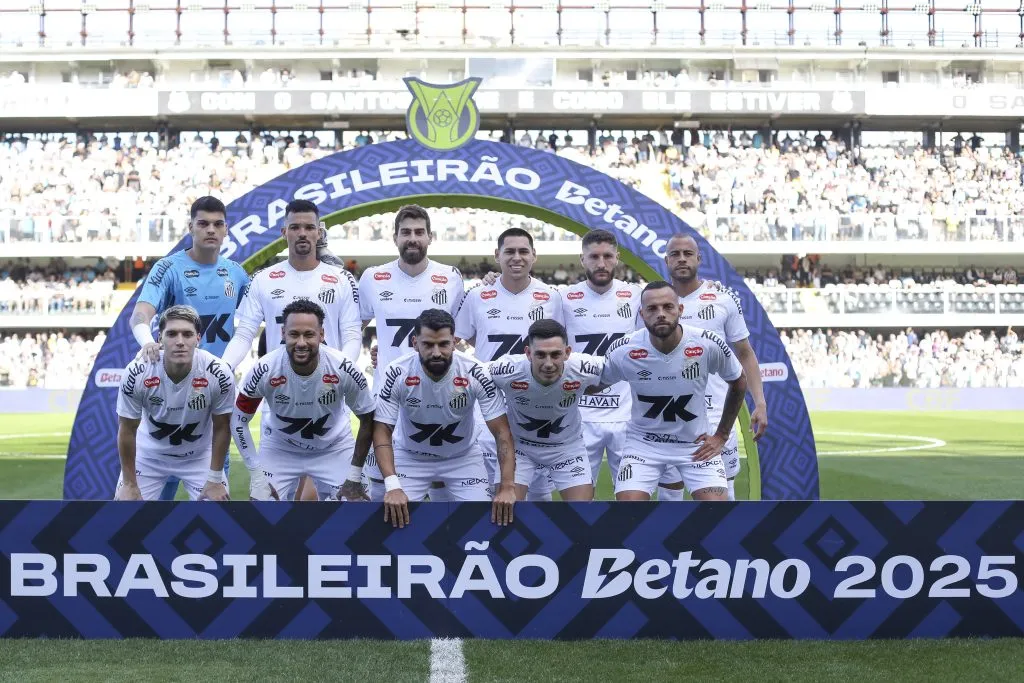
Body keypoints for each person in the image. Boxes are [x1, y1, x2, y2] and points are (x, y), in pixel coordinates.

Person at [222, 199, 362, 498]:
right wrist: (223, 369)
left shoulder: (341, 279)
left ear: (319, 233)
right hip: (281, 401)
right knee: (264, 508)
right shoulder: (263, 279)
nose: (302, 233)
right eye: (295, 227)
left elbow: (352, 334)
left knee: (348, 513)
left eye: (309, 227)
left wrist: (340, 371)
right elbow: (244, 333)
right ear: (284, 232)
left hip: (330, 408)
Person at [129, 196, 248, 500]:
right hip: (170, 388)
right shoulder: (168, 268)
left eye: (218, 224)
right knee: (148, 508)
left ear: (226, 230)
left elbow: (249, 327)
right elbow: (140, 315)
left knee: (215, 499)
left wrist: (230, 366)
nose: (211, 229)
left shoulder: (236, 273)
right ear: (190, 227)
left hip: (214, 392)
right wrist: (147, 343)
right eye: (203, 223)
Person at [597, 282, 747, 502]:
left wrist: (721, 435)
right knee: (627, 513)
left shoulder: (707, 343)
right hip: (643, 445)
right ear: (641, 314)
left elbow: (739, 380)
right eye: (652, 309)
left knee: (717, 513)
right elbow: (593, 384)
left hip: (695, 445)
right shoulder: (624, 349)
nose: (660, 314)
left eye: (668, 307)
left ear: (681, 310)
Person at [357, 205, 465, 501]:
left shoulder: (451, 277)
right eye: (406, 232)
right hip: (388, 396)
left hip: (438, 397)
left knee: (443, 485)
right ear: (395, 237)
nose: (412, 238)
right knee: (383, 489)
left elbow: (461, 336)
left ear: (431, 237)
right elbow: (354, 328)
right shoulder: (373, 277)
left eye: (419, 232)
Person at [372, 309, 516, 528]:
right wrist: (392, 486)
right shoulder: (396, 372)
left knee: (482, 523)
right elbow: (382, 430)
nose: (437, 352)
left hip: (462, 457)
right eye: (428, 345)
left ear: (454, 342)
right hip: (411, 458)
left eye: (444, 344)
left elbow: (501, 431)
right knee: (394, 519)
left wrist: (506, 486)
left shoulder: (475, 372)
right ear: (415, 343)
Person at [656, 234, 768, 502]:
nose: (681, 259)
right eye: (675, 254)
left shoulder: (722, 299)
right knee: (670, 495)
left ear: (698, 259)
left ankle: (719, 545)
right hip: (669, 417)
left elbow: (745, 353)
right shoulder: (655, 303)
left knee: (722, 495)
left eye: (687, 253)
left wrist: (760, 403)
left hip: (717, 416)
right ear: (667, 260)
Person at [454, 227, 563, 500]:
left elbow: (561, 350)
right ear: (497, 255)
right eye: (510, 251)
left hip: (537, 405)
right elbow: (455, 341)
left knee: (540, 494)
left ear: (534, 256)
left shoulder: (551, 296)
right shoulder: (478, 295)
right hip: (490, 406)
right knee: (494, 493)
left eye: (523, 251)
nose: (517, 257)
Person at [232, 300, 375, 502]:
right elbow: (239, 421)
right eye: (293, 334)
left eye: (309, 334)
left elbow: (369, 419)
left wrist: (354, 476)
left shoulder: (343, 367)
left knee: (356, 506)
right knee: (262, 505)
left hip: (333, 448)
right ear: (283, 334)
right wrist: (256, 475)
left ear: (322, 335)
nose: (301, 342)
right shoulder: (264, 369)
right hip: (280, 449)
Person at [114, 305, 235, 501]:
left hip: (199, 457)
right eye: (172, 334)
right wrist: (129, 484)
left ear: (198, 338)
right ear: (159, 338)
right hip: (149, 457)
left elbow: (222, 427)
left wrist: (214, 479)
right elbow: (127, 429)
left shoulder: (218, 373)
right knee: (126, 512)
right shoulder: (137, 372)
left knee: (217, 512)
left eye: (187, 334)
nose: (180, 342)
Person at [560, 229, 642, 486]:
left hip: (627, 415)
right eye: (594, 256)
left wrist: (710, 285)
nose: (601, 263)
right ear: (582, 259)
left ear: (617, 257)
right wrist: (491, 280)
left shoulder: (636, 295)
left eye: (608, 256)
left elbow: (678, 299)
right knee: (579, 500)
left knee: (633, 499)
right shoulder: (563, 298)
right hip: (580, 417)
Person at [488, 319, 602, 501]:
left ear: (567, 353)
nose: (548, 364)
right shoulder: (506, 369)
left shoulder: (586, 368)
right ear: (527, 353)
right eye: (540, 355)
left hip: (567, 448)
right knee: (506, 510)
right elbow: (471, 376)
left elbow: (617, 369)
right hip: (520, 448)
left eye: (555, 355)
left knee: (582, 513)